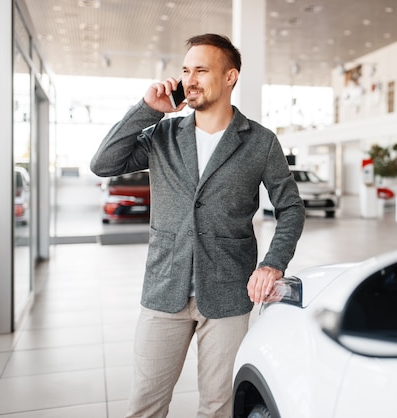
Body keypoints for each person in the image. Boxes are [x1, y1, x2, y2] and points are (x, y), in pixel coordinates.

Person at [90, 33, 305, 418]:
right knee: (145, 404)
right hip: (164, 288)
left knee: (218, 407)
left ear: (230, 77)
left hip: (226, 293)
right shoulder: (162, 134)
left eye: (201, 70)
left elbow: (290, 207)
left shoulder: (260, 142)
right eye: (186, 69)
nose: (190, 78)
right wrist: (147, 109)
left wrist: (273, 263)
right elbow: (104, 163)